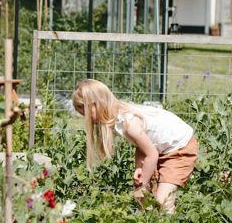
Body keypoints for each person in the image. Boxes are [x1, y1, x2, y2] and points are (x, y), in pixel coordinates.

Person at [71, 79, 199, 213]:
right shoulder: (118, 118)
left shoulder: (129, 123)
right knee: (144, 198)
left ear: (97, 104)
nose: (88, 120)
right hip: (160, 147)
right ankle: (147, 222)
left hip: (179, 147)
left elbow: (152, 154)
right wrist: (139, 168)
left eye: (87, 114)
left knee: (163, 201)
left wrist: (141, 185)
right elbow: (142, 146)